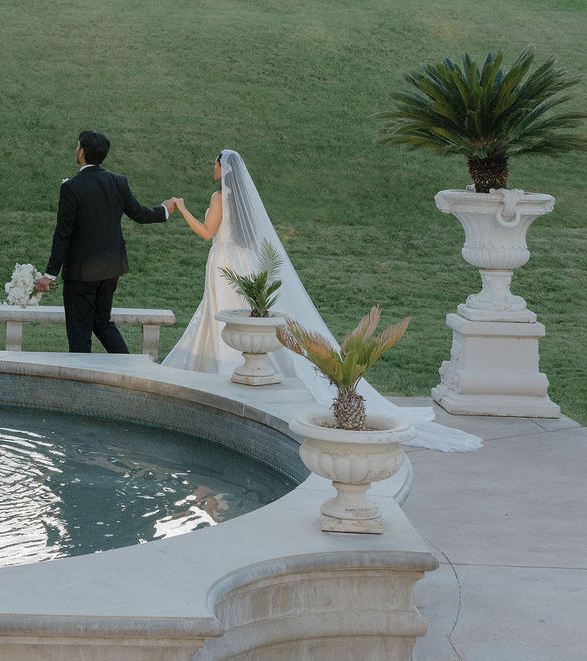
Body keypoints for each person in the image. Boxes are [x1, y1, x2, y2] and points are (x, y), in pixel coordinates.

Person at [163, 149, 481, 452]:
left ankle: (224, 374)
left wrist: (182, 207)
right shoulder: (242, 200)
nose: (212, 168)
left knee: (222, 316)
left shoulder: (220, 197)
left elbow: (207, 233)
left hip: (223, 263)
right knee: (230, 316)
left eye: (215, 164)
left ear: (224, 169)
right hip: (240, 261)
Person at [38, 131, 173, 353]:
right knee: (102, 323)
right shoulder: (118, 181)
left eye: (77, 146)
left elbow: (63, 234)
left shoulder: (71, 187)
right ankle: (126, 368)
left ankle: (82, 380)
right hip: (111, 270)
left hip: (80, 274)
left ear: (81, 152)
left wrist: (49, 275)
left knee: (79, 332)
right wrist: (163, 211)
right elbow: (139, 213)